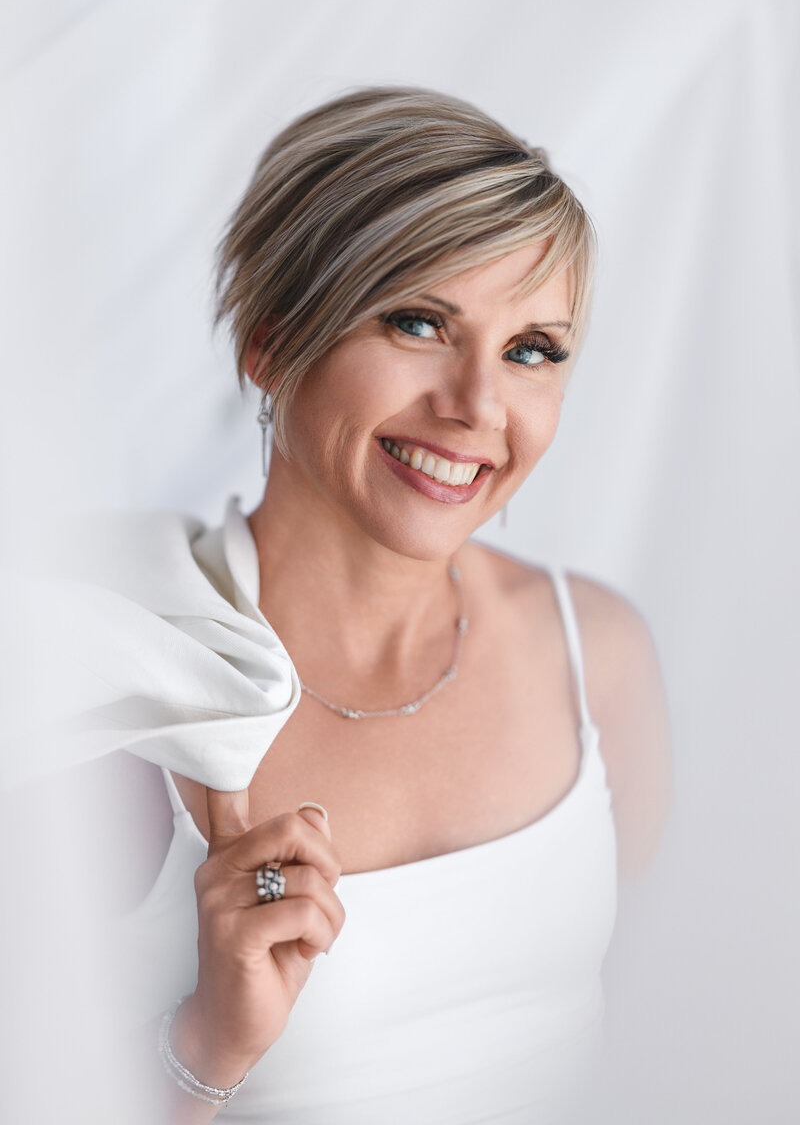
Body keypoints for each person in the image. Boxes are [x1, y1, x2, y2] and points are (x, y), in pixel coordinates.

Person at [55, 86, 671, 1123]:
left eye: (531, 349)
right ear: (268, 338)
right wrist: (204, 1049)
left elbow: (663, 1038)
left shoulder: (595, 655)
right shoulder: (124, 692)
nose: (477, 406)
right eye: (418, 322)